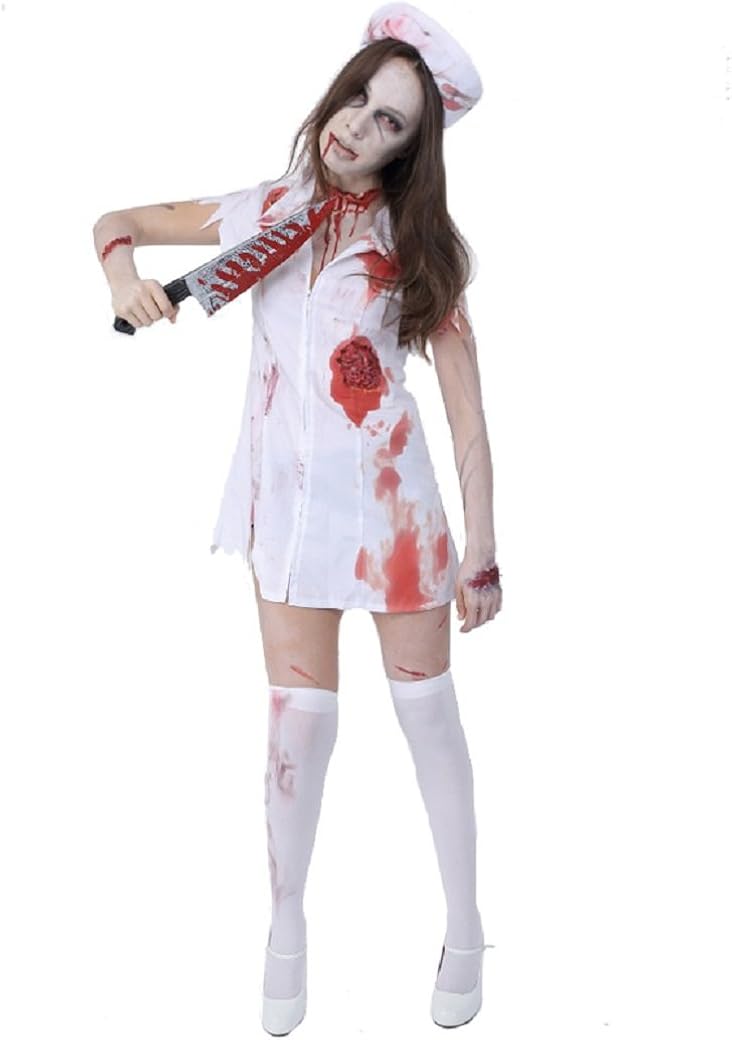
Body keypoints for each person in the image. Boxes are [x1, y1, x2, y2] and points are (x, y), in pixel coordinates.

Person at [94, 3, 502, 1033]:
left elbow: (465, 411)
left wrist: (484, 547)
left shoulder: (418, 247)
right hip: (288, 509)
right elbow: (116, 221)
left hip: (395, 518)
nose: (360, 125)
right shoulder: (261, 210)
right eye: (359, 98)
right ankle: (285, 929)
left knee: (428, 718)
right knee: (298, 724)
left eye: (391, 121)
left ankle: (464, 923)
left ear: (412, 150)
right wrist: (126, 280)